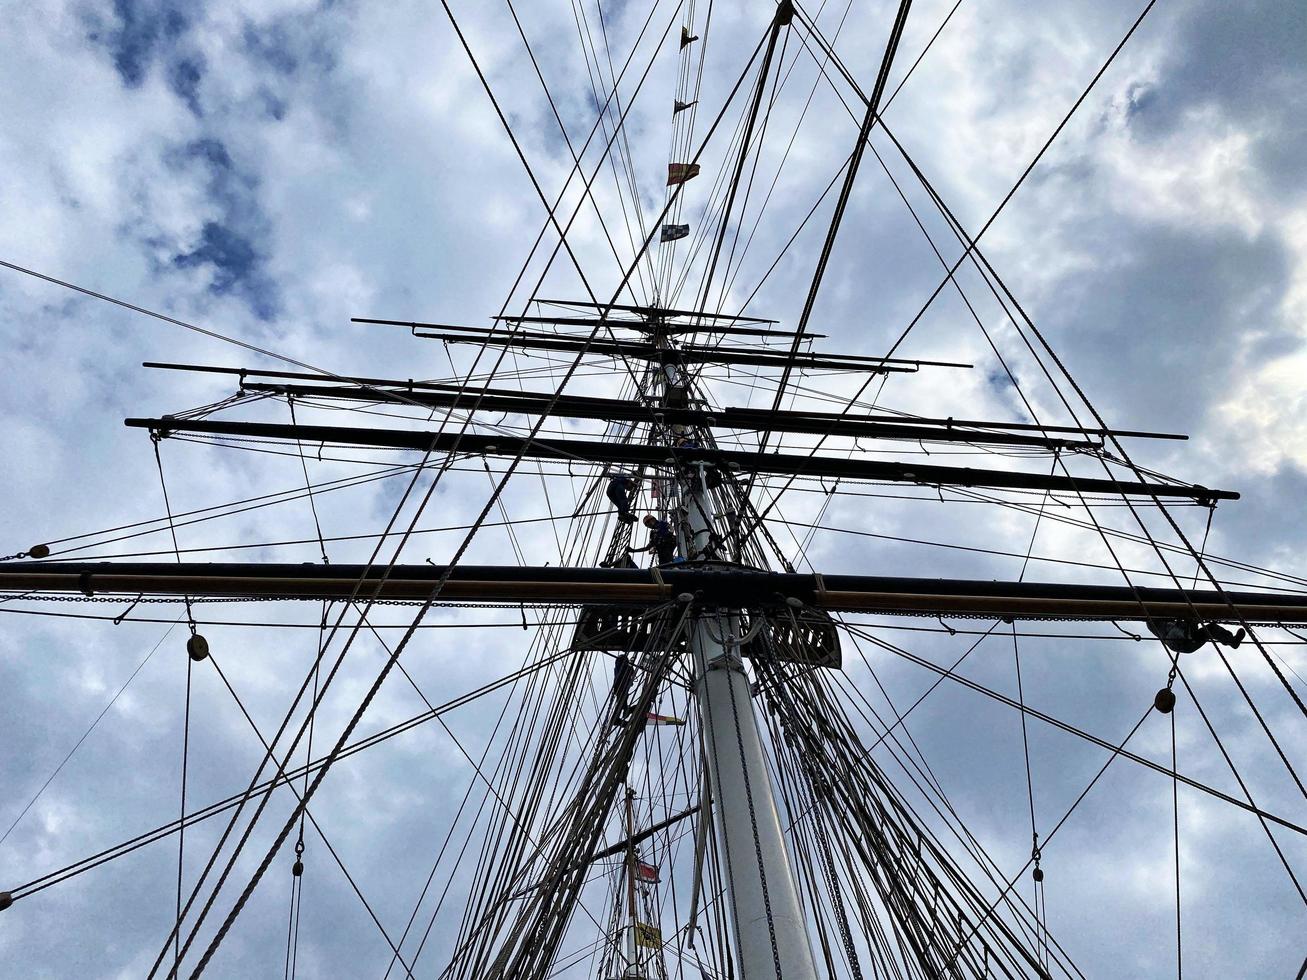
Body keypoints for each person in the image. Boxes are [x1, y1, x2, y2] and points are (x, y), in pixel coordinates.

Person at [1146, 617, 1245, 654]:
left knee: (1212, 629)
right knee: (1175, 630)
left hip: (1189, 643)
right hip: (1174, 640)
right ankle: (1189, 634)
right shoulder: (1151, 621)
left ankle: (1232, 641)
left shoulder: (1171, 618)